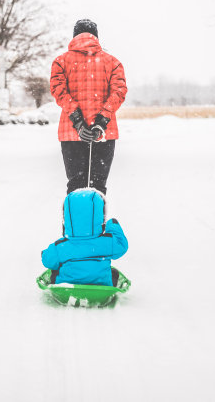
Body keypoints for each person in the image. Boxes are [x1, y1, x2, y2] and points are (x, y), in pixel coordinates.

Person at [50, 19, 127, 195]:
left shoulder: (61, 61)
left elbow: (58, 90)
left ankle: (73, 221)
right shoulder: (112, 62)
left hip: (70, 134)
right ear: (96, 37)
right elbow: (119, 91)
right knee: (98, 186)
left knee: (75, 185)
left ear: (74, 36)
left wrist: (77, 121)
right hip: (104, 135)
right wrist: (102, 121)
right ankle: (96, 220)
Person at [41, 188, 128, 286]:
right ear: (100, 218)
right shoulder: (106, 242)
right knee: (113, 273)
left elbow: (47, 260)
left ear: (67, 219)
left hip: (67, 287)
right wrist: (113, 224)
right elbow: (121, 245)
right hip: (101, 287)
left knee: (55, 270)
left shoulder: (61, 246)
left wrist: (44, 254)